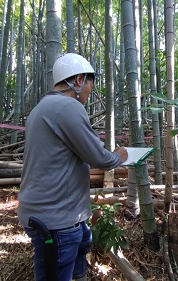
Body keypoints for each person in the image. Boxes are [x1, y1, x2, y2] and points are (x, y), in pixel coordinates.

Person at [17, 53, 128, 281]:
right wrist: (119, 156)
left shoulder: (41, 108)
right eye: (89, 84)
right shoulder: (68, 107)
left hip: (53, 213)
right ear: (78, 80)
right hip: (56, 220)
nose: (89, 92)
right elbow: (99, 157)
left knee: (76, 266)